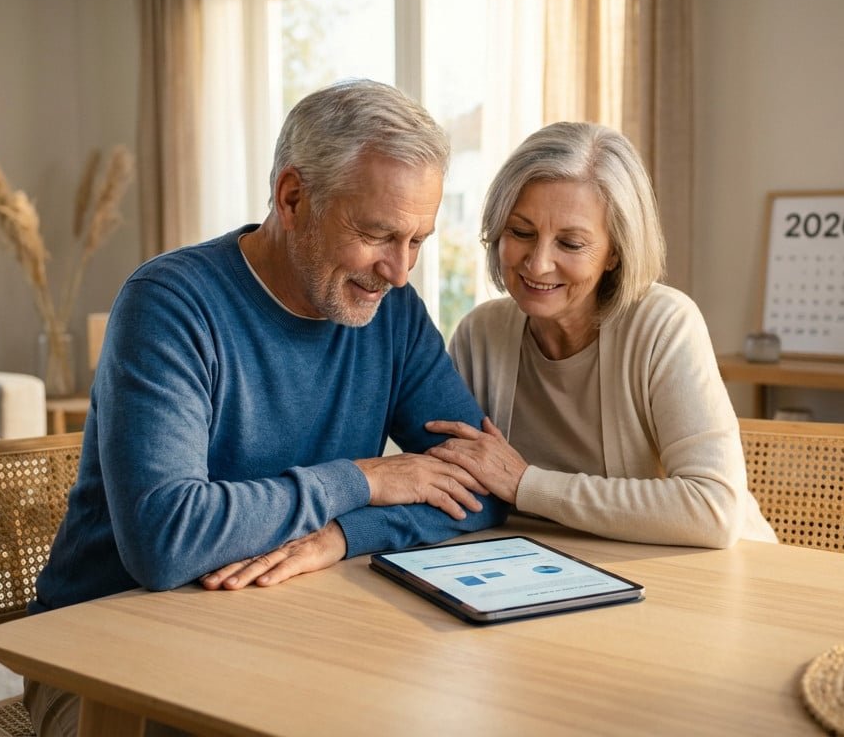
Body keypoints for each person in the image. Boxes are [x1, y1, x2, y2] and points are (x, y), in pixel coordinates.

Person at [25, 80, 507, 736]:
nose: (398, 270)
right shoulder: (169, 305)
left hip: (289, 633)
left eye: (418, 240)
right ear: (292, 197)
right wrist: (365, 479)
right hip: (103, 657)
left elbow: (480, 489)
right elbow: (167, 543)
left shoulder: (393, 315)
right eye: (377, 234)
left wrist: (342, 536)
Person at [427, 122, 776, 547]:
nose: (537, 264)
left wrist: (524, 485)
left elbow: (712, 509)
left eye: (570, 244)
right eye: (521, 232)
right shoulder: (480, 335)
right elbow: (445, 477)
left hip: (711, 578)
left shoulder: (663, 325)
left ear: (614, 253)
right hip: (558, 575)